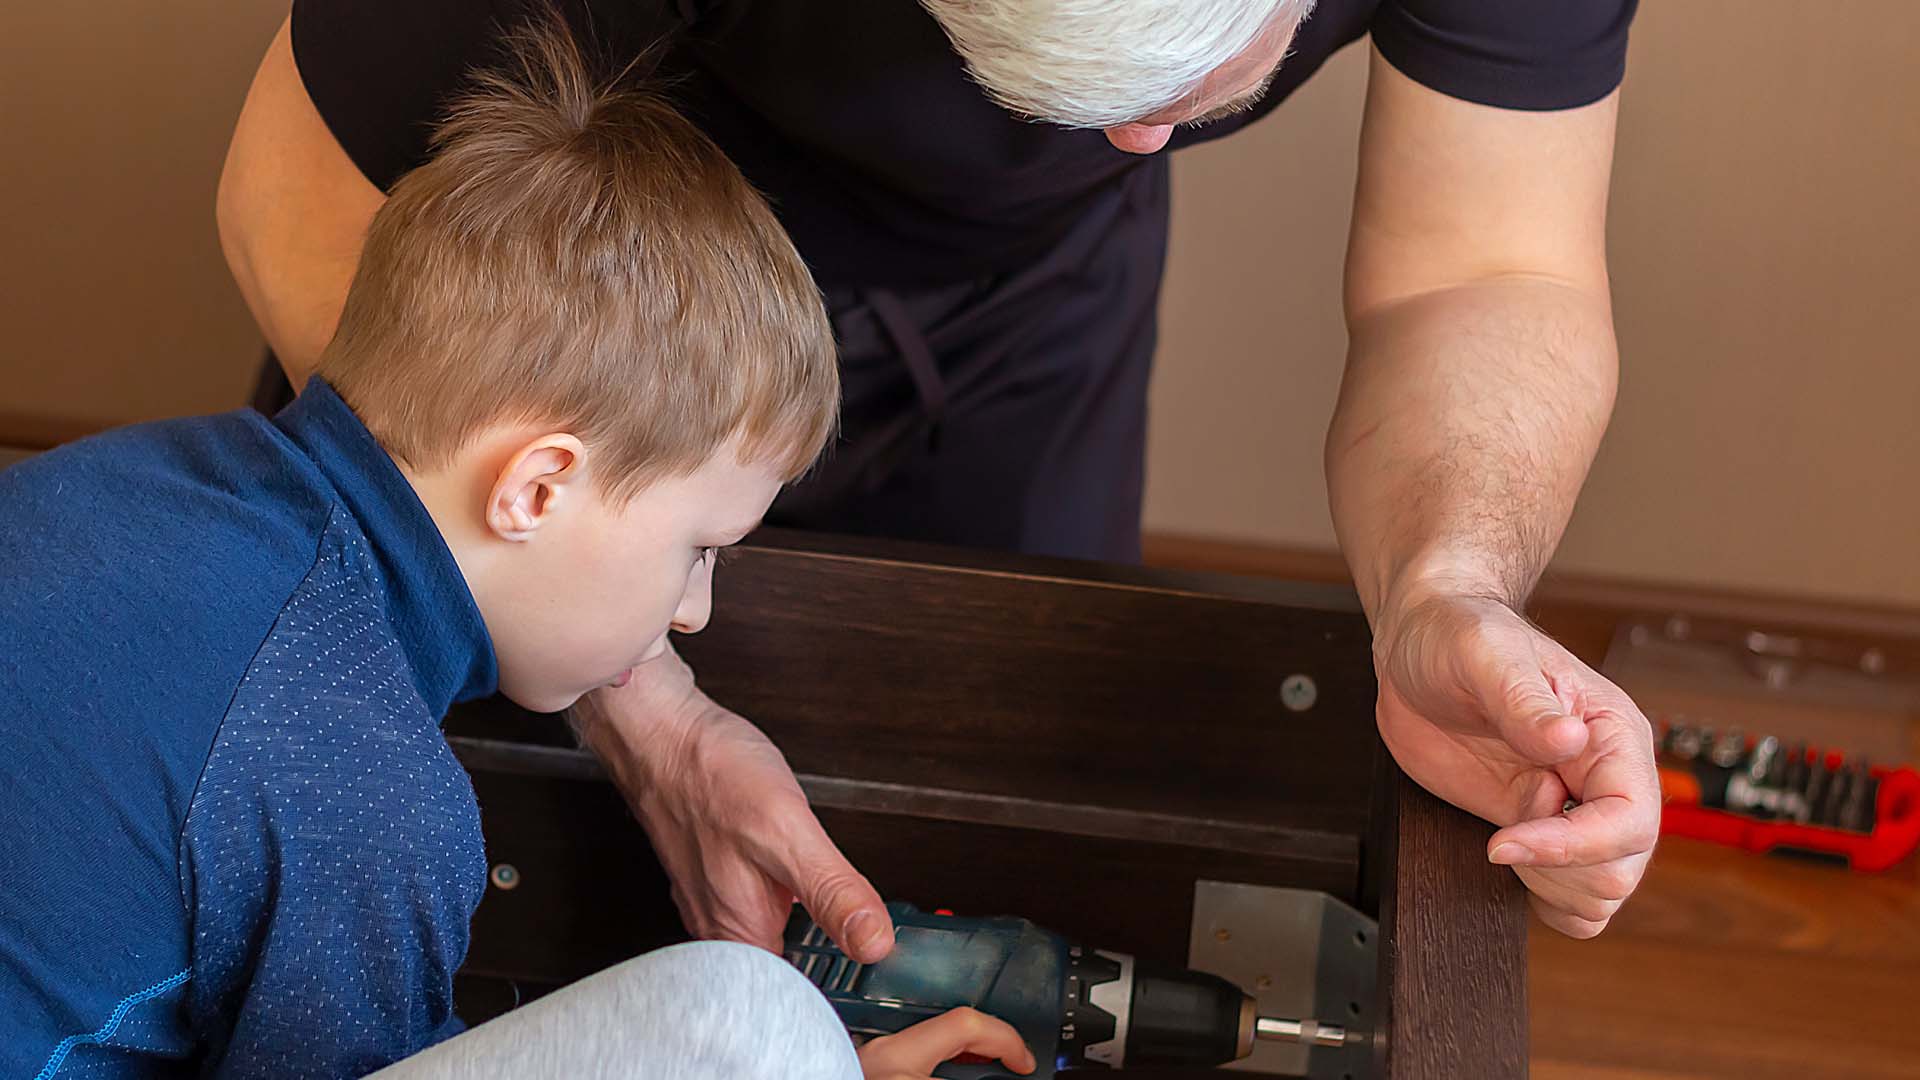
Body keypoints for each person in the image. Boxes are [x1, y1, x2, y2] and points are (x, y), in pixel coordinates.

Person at [217, 0, 1659, 959]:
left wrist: (1443, 581)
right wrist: (634, 692)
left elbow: (1485, 265)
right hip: (557, 264)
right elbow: (298, 199)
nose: (1146, 142)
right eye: (1052, 83)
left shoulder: (1108, 137)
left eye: (1173, 91)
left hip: (1023, 308)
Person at [0, 25, 1031, 1078]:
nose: (693, 612)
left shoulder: (134, 475)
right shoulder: (366, 792)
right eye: (701, 549)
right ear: (536, 487)